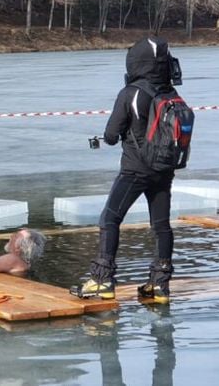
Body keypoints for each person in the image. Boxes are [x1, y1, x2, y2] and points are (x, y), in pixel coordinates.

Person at [70, 36, 181, 304]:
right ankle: (159, 285)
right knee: (161, 226)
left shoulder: (131, 93)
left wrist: (112, 138)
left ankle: (102, 280)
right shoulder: (170, 93)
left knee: (109, 219)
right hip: (163, 170)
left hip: (135, 170)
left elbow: (110, 134)